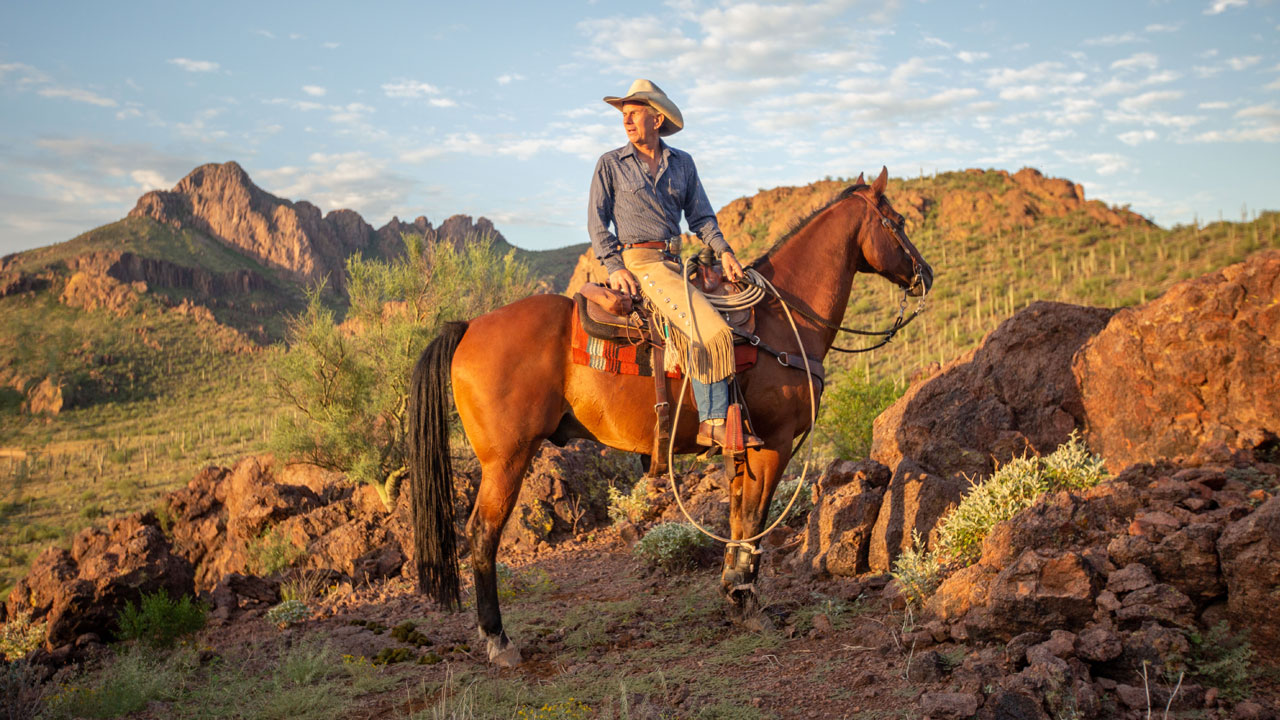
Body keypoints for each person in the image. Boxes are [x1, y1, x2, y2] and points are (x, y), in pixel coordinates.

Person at [588, 79, 763, 449]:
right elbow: (596, 221)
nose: (627, 120)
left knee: (735, 312)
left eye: (634, 113)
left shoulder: (682, 163)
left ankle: (738, 412)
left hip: (673, 261)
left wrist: (725, 251)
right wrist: (615, 266)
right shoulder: (610, 164)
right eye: (625, 114)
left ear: (657, 117)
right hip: (639, 262)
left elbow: (701, 218)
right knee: (712, 332)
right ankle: (713, 423)